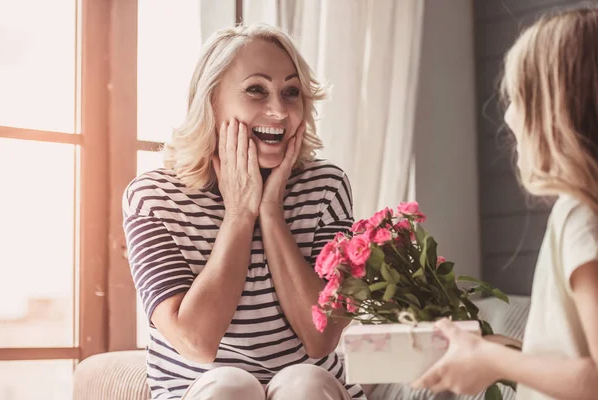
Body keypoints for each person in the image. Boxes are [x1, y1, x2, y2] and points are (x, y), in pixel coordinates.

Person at [122, 23, 366, 400]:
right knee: (229, 386)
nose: (279, 111)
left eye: (290, 93)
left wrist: (270, 213)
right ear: (211, 100)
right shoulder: (152, 197)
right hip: (201, 390)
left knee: (305, 382)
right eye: (256, 90)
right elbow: (197, 343)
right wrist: (239, 213)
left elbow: (321, 339)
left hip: (313, 390)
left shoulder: (326, 186)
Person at [411, 6, 598, 400]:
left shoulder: (579, 215)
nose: (509, 117)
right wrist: (496, 352)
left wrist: (494, 362)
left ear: (553, 111)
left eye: (518, 98)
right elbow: (570, 355)